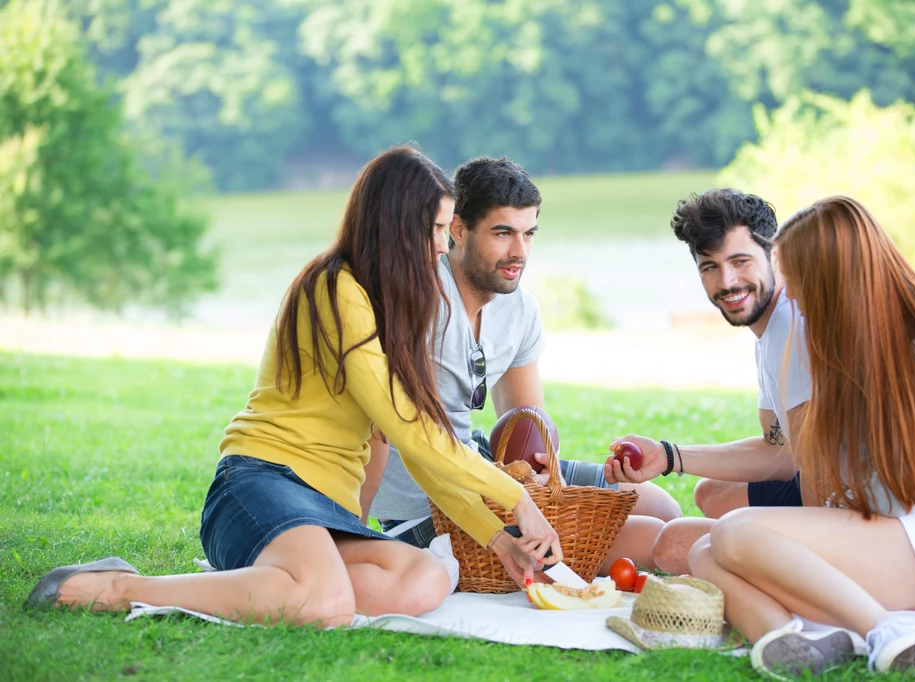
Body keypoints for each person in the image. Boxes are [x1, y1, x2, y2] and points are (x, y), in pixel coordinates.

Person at [24, 147, 562, 626]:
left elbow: (414, 447)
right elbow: (413, 428)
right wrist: (516, 499)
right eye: (437, 229)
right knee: (324, 607)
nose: (444, 247)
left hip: (322, 510)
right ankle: (115, 588)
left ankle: (282, 585)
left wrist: (494, 537)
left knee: (423, 580)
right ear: (399, 227)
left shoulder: (396, 310)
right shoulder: (335, 288)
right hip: (261, 481)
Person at [612, 196, 915, 676]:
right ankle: (791, 639)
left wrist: (803, 531)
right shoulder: (853, 346)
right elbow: (788, 453)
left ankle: (885, 631)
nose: (795, 298)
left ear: (834, 276)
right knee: (705, 551)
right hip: (913, 530)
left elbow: (892, 491)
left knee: (737, 531)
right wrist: (671, 455)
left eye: (800, 282)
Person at [362, 155, 680, 572]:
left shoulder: (520, 309)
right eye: (503, 233)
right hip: (431, 508)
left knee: (662, 506)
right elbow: (384, 432)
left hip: (491, 471)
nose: (519, 252)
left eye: (529, 233)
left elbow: (526, 420)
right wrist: (353, 527)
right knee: (657, 541)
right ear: (458, 230)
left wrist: (542, 476)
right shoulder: (419, 299)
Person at [606, 188, 811, 575]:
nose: (727, 281)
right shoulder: (769, 332)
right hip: (816, 483)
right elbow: (778, 451)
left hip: (848, 506)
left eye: (740, 261)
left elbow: (805, 466)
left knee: (673, 544)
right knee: (710, 493)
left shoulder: (793, 327)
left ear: (775, 256)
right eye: (710, 267)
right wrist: (668, 456)